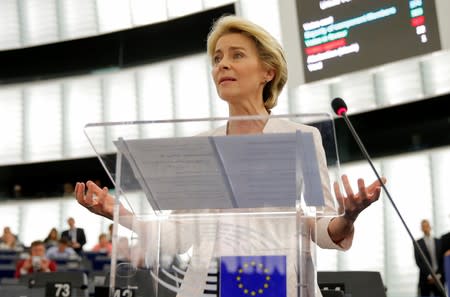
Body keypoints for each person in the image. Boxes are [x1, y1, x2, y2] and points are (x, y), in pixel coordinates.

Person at [74, 15, 385, 296]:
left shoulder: (303, 138)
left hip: (282, 286)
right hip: (208, 288)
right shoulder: (199, 145)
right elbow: (176, 237)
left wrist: (347, 216)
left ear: (267, 71)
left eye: (237, 55)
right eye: (217, 58)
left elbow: (321, 226)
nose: (222, 64)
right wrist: (119, 212)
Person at [414, 219, 443, 297]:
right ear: (421, 229)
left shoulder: (438, 241)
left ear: (430, 227)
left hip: (439, 278)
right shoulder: (418, 243)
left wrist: (438, 275)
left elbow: (441, 259)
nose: (426, 228)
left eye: (427, 226)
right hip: (425, 278)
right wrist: (429, 275)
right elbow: (418, 261)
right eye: (423, 226)